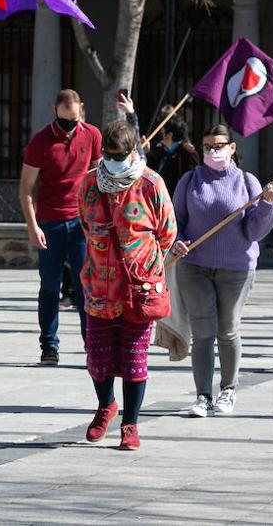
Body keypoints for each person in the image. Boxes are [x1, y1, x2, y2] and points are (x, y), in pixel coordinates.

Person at [78, 118, 176, 452]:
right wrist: (99, 237)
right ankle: (106, 405)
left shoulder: (150, 183)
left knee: (135, 358)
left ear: (133, 151)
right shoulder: (90, 183)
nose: (113, 160)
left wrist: (142, 256)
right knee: (98, 356)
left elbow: (167, 232)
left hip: (138, 288)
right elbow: (83, 223)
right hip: (98, 286)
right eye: (108, 153)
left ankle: (131, 423)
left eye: (119, 154)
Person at [170, 123, 273, 417]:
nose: (213, 151)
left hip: (236, 268)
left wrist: (268, 204)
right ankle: (203, 396)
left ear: (232, 148)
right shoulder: (190, 180)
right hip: (194, 266)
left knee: (227, 329)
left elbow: (256, 231)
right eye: (208, 146)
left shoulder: (247, 182)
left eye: (219, 145)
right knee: (204, 332)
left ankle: (228, 390)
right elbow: (174, 221)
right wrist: (178, 242)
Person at [20, 88, 102, 365]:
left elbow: (99, 178)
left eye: (74, 119)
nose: (69, 126)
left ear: (81, 109)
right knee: (50, 287)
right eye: (65, 120)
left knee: (85, 288)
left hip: (82, 224)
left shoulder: (92, 135)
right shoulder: (40, 142)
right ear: (54, 110)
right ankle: (49, 345)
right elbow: (26, 189)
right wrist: (33, 227)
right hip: (50, 222)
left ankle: (91, 344)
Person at [146, 118, 199, 195]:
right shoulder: (160, 150)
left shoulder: (187, 153)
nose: (161, 134)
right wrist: (147, 152)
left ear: (170, 135)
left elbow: (191, 181)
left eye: (163, 131)